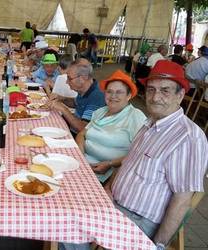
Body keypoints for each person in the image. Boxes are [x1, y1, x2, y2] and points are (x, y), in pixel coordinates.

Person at [60, 60, 208, 250]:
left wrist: (158, 246)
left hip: (138, 219)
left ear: (180, 95)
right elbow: (127, 164)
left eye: (165, 90)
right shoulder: (149, 124)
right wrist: (108, 190)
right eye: (151, 89)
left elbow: (182, 200)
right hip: (114, 202)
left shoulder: (188, 137)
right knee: (64, 211)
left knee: (68, 229)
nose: (155, 97)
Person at [76, 70, 146, 183]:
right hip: (82, 164)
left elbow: (141, 154)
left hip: (106, 175)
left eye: (119, 92)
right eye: (109, 91)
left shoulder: (136, 117)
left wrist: (110, 164)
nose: (113, 96)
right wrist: (80, 151)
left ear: (129, 95)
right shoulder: (100, 111)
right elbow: (82, 133)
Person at [48, 58, 105, 133]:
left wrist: (63, 109)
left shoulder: (96, 96)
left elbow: (83, 128)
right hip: (72, 129)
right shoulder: (84, 89)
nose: (66, 82)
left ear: (82, 78)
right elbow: (76, 103)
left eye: (69, 78)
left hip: (80, 137)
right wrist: (61, 98)